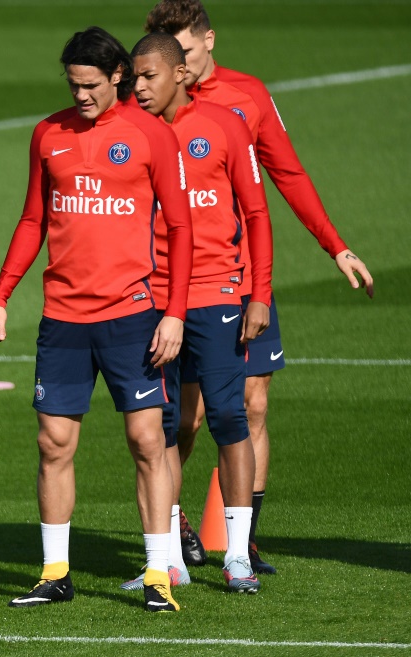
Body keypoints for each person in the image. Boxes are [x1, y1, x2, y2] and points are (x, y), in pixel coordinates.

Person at [144, 0, 375, 574]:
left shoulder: (247, 96)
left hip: (239, 280)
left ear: (209, 40)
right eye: (171, 57)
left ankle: (242, 542)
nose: (180, 67)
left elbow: (287, 174)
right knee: (185, 420)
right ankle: (172, 531)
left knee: (252, 405)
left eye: (187, 52)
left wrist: (335, 245)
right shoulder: (145, 108)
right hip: (169, 286)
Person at [0, 26, 193, 613]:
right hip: (64, 317)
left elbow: (181, 227)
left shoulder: (151, 134)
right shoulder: (48, 134)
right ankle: (55, 574)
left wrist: (175, 313)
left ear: (117, 76)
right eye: (73, 85)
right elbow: (32, 220)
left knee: (148, 441)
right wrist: (1, 295)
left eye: (91, 85)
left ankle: (157, 574)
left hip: (132, 316)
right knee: (53, 442)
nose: (80, 95)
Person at [120, 32, 273, 594]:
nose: (138, 88)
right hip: (151, 298)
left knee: (228, 417)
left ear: (180, 74)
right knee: (162, 427)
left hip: (215, 294)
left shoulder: (224, 126)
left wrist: (259, 292)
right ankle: (167, 562)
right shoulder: (129, 133)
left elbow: (256, 213)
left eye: (149, 77)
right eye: (134, 78)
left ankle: (237, 556)